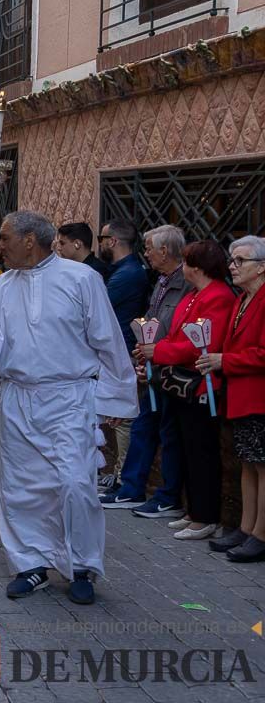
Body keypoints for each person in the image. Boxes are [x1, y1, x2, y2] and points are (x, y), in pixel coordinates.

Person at [0, 211, 138, 605]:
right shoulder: (0, 286)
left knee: (75, 483)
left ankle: (82, 566)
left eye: (5, 237)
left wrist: (115, 401)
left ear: (30, 240)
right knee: (21, 487)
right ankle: (30, 564)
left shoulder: (82, 279)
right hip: (18, 398)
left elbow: (108, 340)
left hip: (69, 398)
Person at [135, 240, 235, 541]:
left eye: (188, 261)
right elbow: (178, 334)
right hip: (181, 383)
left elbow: (201, 344)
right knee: (186, 448)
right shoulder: (195, 295)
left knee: (201, 450)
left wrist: (158, 352)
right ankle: (194, 510)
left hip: (200, 384)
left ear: (197, 267)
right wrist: (154, 350)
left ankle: (206, 515)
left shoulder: (217, 296)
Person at [100, 224, 189, 516]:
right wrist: (144, 351)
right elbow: (152, 319)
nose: (146, 253)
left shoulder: (183, 283)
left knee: (166, 432)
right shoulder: (161, 281)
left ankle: (165, 495)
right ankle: (131, 486)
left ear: (165, 250)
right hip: (152, 364)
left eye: (150, 247)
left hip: (172, 369)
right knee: (143, 425)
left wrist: (156, 350)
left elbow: (178, 328)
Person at [198, 236, 265, 560]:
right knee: (248, 466)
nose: (233, 266)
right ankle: (246, 527)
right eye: (232, 260)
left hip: (259, 396)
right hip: (241, 395)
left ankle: (260, 533)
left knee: (261, 466)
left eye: (241, 261)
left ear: (262, 267)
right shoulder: (242, 299)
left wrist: (224, 360)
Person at [96, 217, 148, 491]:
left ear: (112, 241)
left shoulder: (127, 273)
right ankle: (114, 475)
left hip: (124, 351)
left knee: (122, 420)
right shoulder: (122, 270)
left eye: (102, 239)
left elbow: (100, 307)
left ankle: (121, 478)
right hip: (119, 351)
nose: (100, 245)